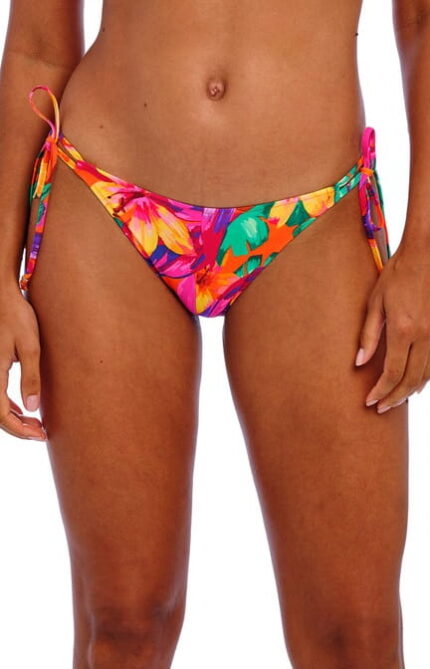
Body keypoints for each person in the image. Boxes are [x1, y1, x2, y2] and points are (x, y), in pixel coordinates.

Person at [0, 0, 428, 667]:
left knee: (357, 635)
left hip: (315, 210)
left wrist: (425, 248)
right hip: (107, 191)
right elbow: (38, 43)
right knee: (124, 623)